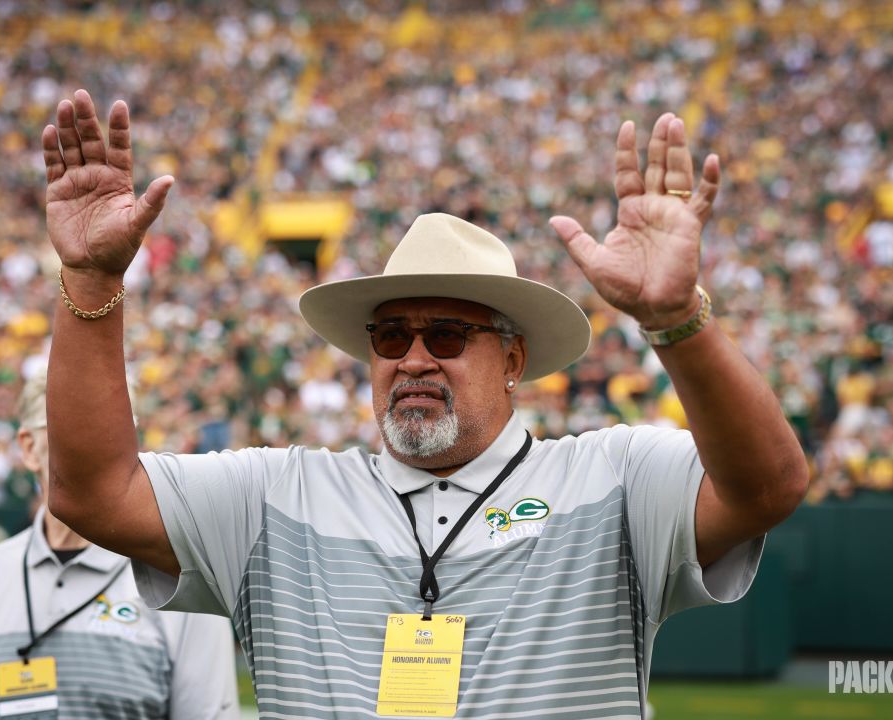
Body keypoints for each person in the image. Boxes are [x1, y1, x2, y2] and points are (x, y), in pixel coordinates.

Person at [41, 89, 807, 717]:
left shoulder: (615, 478)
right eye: (389, 336)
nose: (411, 358)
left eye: (445, 334)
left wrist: (677, 322)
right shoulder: (275, 494)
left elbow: (769, 488)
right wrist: (90, 281)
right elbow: (94, 494)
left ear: (512, 358)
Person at [0, 367, 241, 719]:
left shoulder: (183, 589)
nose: (96, 444)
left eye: (116, 429)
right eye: (70, 425)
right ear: (28, 448)